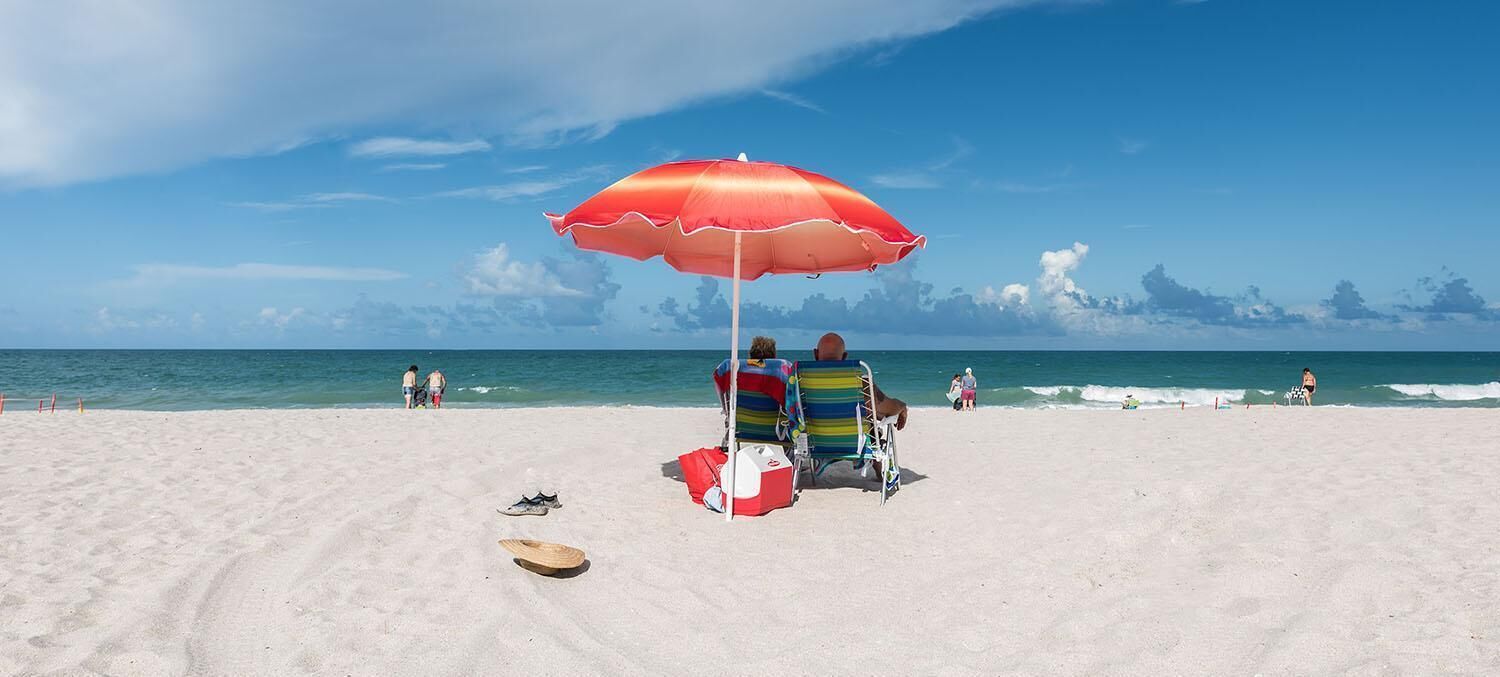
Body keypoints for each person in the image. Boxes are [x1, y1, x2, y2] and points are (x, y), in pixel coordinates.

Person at [813, 332, 908, 430]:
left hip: (810, 444)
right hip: (854, 444)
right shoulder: (861, 383)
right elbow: (890, 408)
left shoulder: (799, 383)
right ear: (845, 356)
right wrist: (902, 406)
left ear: (815, 354)